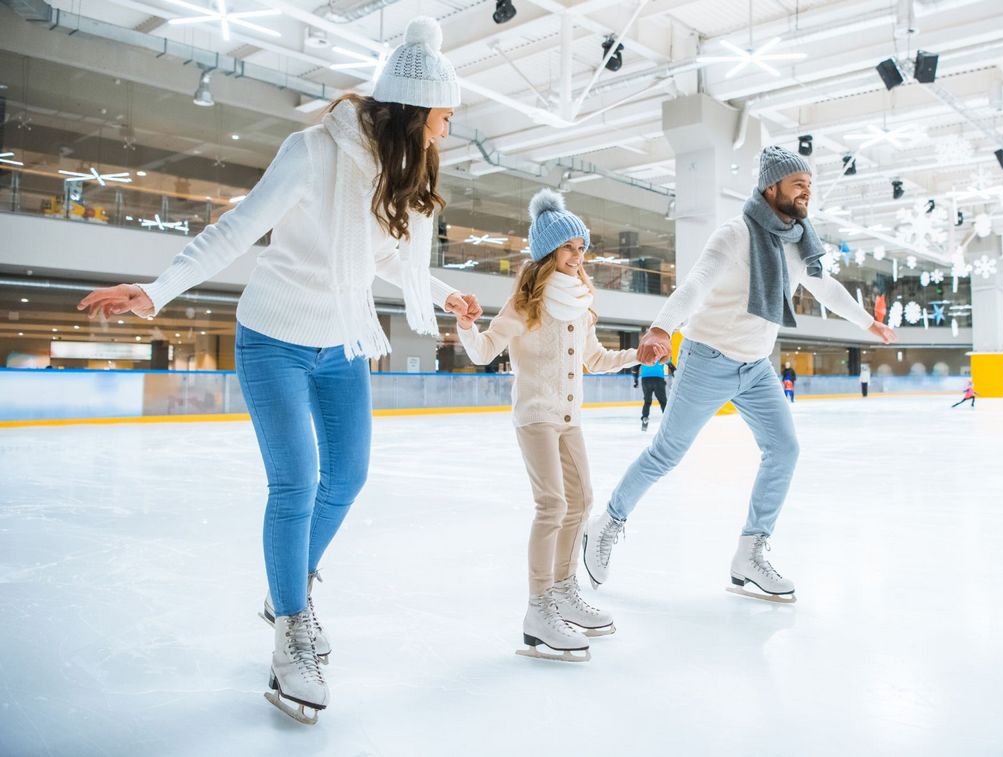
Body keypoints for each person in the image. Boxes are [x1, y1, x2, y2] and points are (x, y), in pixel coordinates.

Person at [76, 16, 480, 725]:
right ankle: (292, 625)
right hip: (273, 338)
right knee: (295, 480)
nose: (447, 131)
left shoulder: (392, 170)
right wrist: (158, 290)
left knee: (347, 476)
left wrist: (447, 296)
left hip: (343, 342)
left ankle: (286, 582)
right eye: (444, 116)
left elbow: (382, 257)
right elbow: (237, 228)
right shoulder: (311, 152)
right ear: (415, 110)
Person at [582, 145, 896, 604]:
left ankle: (750, 553)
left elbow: (823, 285)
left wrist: (867, 322)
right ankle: (607, 522)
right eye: (798, 184)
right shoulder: (734, 235)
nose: (807, 192)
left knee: (784, 448)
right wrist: (661, 328)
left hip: (756, 367)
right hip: (707, 360)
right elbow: (696, 283)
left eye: (810, 184)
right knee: (666, 453)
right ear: (772, 187)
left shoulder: (797, 239)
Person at [456, 189, 638, 662]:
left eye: (582, 249)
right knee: (552, 504)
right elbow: (482, 352)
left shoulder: (578, 302)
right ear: (547, 252)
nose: (580, 257)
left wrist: (637, 354)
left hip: (569, 419)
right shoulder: (525, 306)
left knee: (581, 501)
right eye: (570, 248)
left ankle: (562, 591)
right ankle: (538, 608)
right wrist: (465, 324)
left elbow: (595, 359)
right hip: (536, 416)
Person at [637, 359, 672, 430]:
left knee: (647, 401)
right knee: (663, 402)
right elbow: (671, 366)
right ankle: (668, 422)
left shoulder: (644, 353)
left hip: (646, 379)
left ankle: (645, 418)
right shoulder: (662, 354)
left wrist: (635, 379)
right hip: (658, 379)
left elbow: (635, 367)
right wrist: (673, 375)